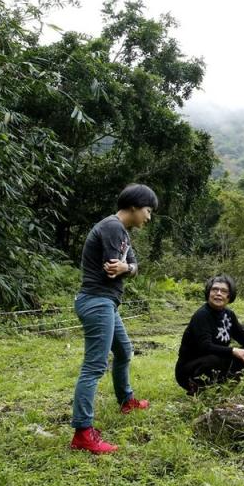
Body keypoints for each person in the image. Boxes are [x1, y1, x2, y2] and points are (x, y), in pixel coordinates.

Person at [69, 183, 157, 454]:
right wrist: (124, 267)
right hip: (97, 302)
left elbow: (132, 266)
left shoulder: (124, 234)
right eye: (148, 210)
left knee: (124, 351)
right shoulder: (112, 227)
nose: (149, 217)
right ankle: (83, 433)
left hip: (107, 303)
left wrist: (127, 267)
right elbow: (112, 268)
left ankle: (126, 400)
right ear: (133, 206)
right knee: (94, 366)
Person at [175, 274, 244, 395]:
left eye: (224, 291)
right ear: (209, 293)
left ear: (229, 296)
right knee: (214, 359)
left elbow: (243, 336)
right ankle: (196, 388)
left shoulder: (229, 314)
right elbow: (205, 346)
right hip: (189, 369)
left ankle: (224, 386)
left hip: (215, 360)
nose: (218, 293)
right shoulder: (202, 315)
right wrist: (233, 350)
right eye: (215, 289)